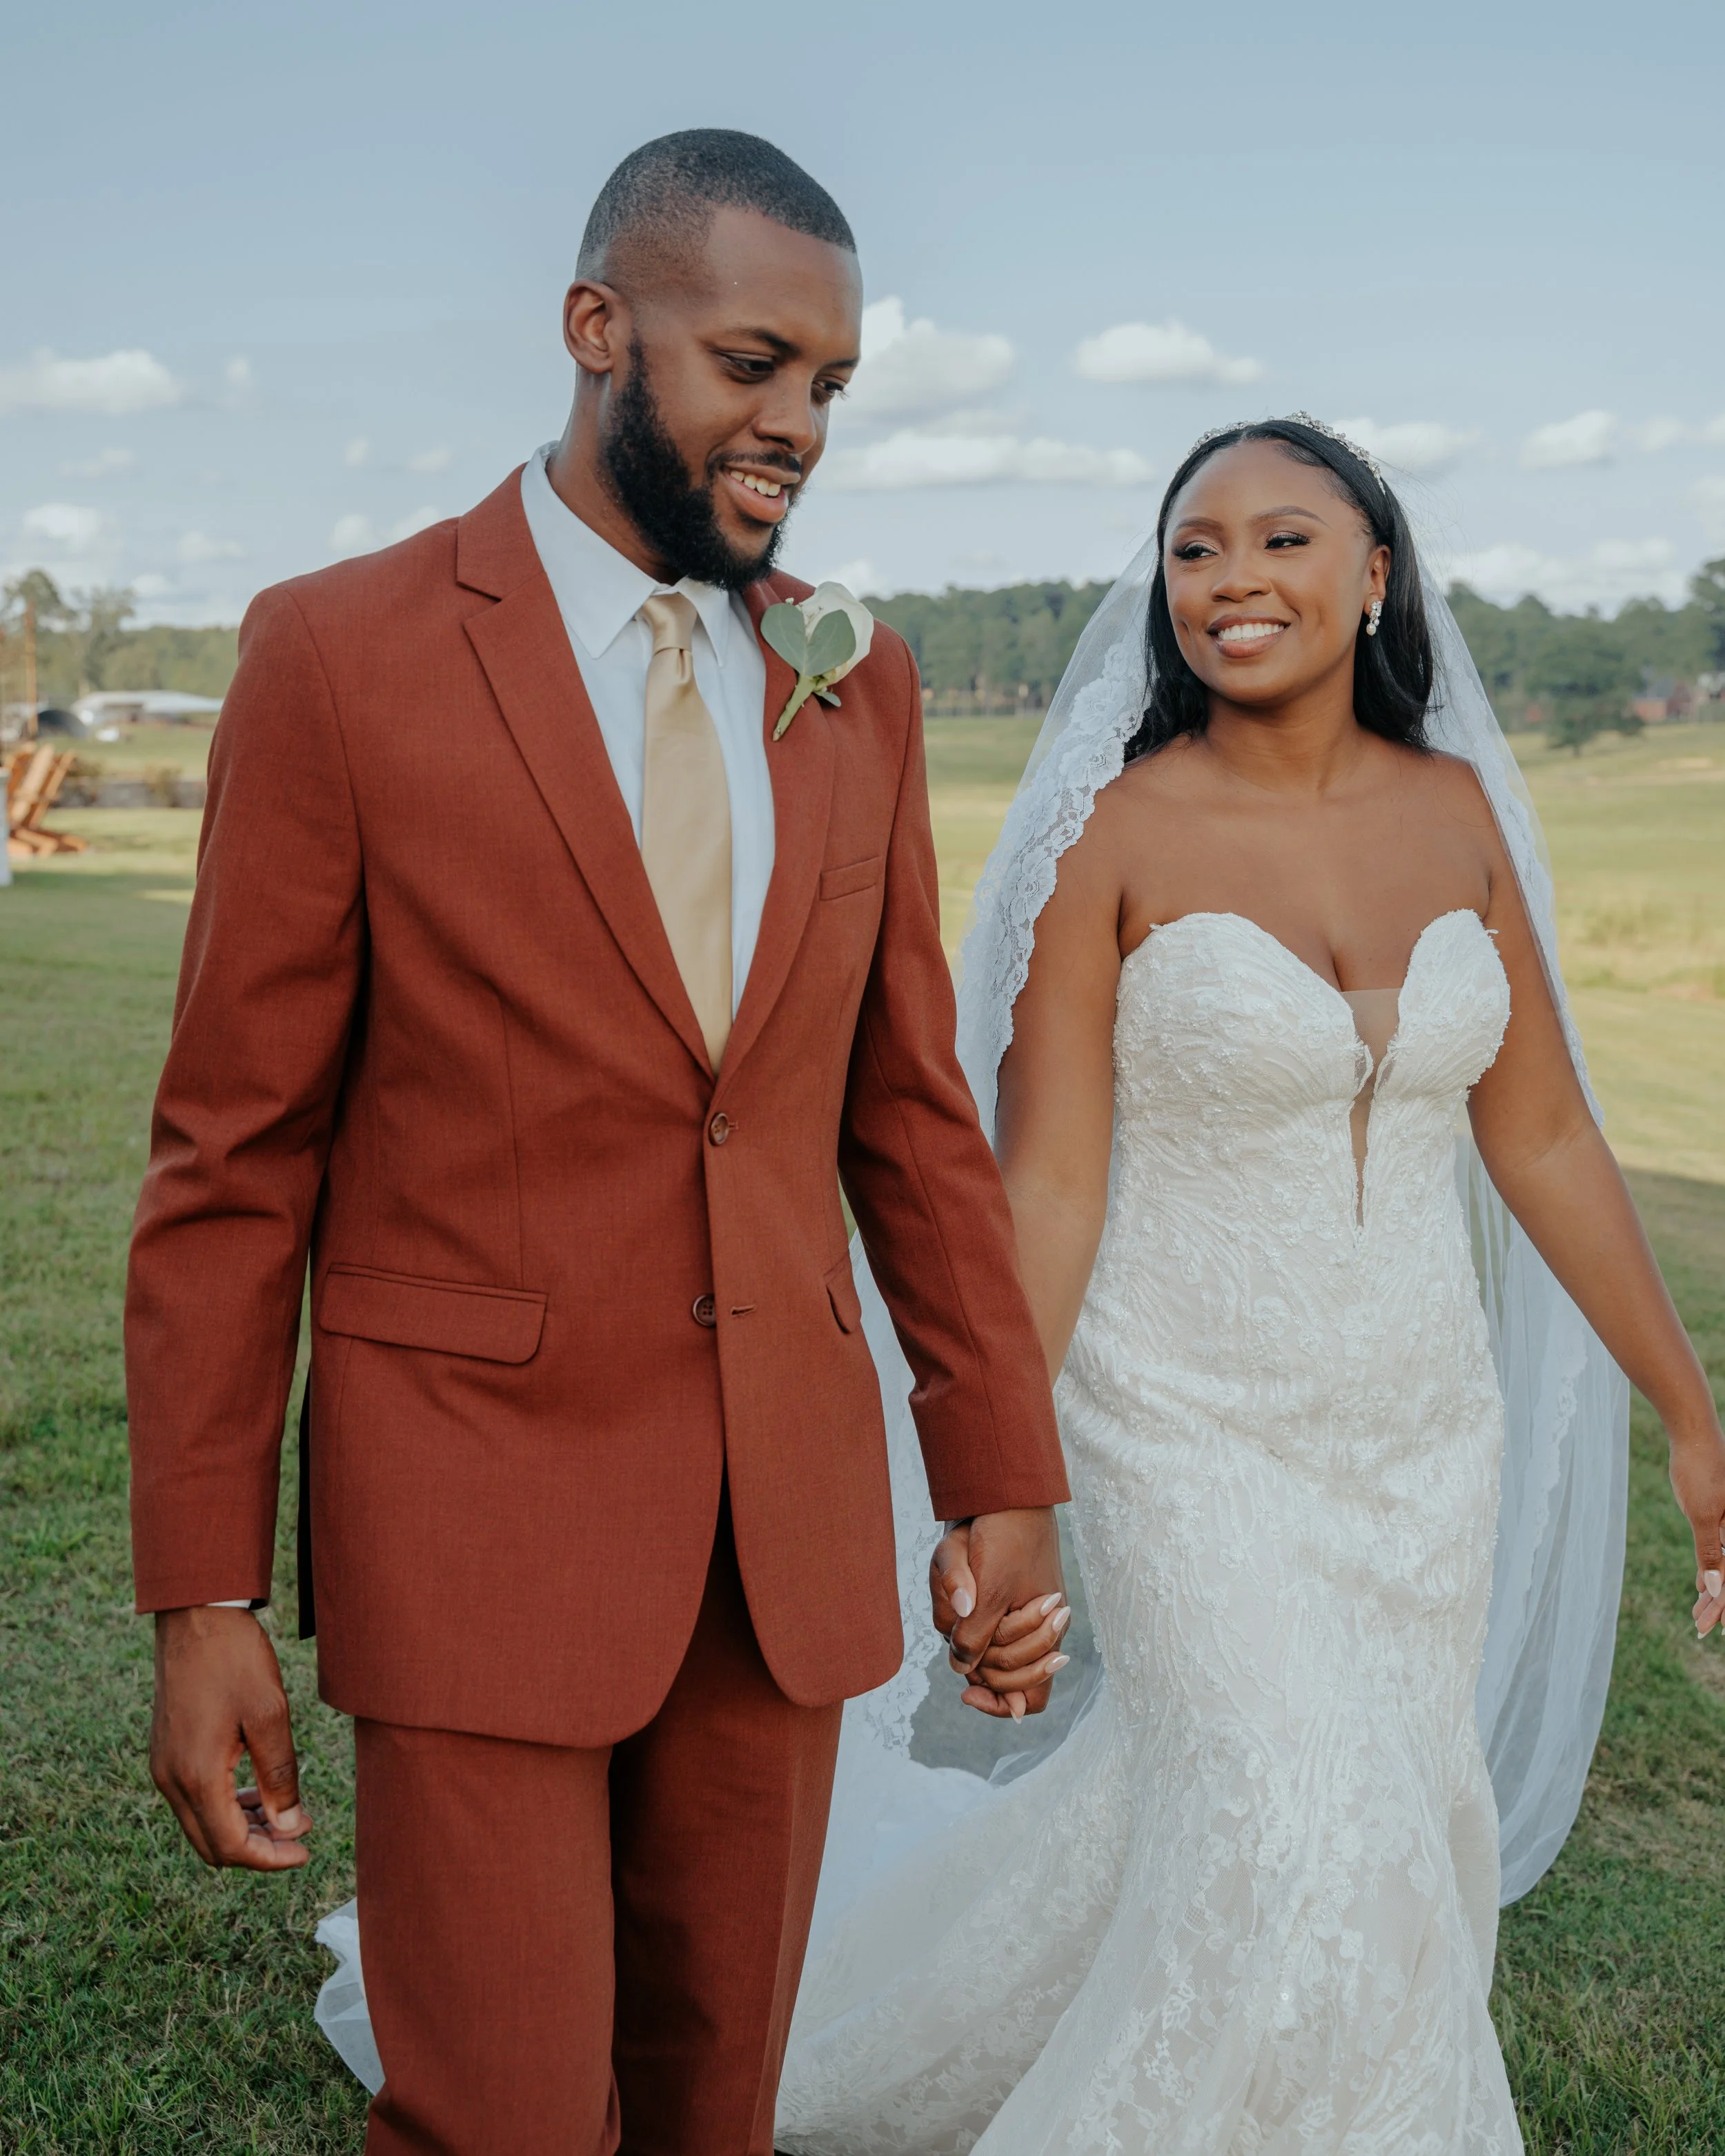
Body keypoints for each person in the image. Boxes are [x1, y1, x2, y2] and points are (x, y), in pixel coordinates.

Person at [125, 130, 1072, 2156]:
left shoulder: (858, 676)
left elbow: (903, 1112)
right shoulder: (339, 652)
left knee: (709, 2100)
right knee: (501, 2113)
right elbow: (231, 1157)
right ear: (594, 329)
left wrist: (996, 1466)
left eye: (828, 384)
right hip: (473, 1505)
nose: (795, 425)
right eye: (751, 363)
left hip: (780, 1532)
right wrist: (202, 1595)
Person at [773, 418, 1725, 2153]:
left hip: (1420, 1423)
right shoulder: (1116, 834)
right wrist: (1000, 1472)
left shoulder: (1457, 819)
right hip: (1175, 1409)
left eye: (1281, 539)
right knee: (1291, 1811)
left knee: (1375, 1802)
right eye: (1194, 546)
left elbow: (1547, 1143)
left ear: (1372, 577)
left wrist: (1689, 1410)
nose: (1230, 580)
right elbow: (1044, 1182)